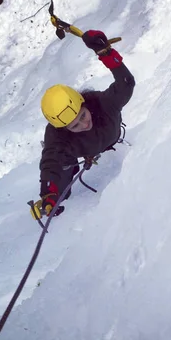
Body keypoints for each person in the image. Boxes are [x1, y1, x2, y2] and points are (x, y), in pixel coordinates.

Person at [32, 30, 135, 219]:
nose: (84, 124)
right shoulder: (57, 137)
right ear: (64, 129)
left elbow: (125, 84)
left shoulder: (103, 104)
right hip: (75, 155)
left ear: (84, 103)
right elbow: (50, 162)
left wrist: (106, 54)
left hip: (113, 140)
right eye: (75, 126)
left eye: (83, 115)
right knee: (62, 181)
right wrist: (49, 193)